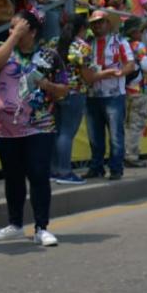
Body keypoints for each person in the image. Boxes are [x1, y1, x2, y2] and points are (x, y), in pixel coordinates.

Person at [0, 11, 65, 247]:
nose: (12, 31)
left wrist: (47, 84)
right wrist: (14, 36)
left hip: (39, 127)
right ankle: (15, 225)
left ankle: (42, 228)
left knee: (39, 175)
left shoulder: (50, 56)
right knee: (13, 177)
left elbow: (64, 89)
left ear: (33, 32)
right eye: (10, 27)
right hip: (5, 128)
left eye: (17, 28)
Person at [85, 10, 135, 180]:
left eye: (100, 22)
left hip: (114, 95)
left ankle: (116, 168)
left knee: (115, 135)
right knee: (94, 136)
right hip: (92, 95)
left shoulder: (119, 41)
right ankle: (97, 167)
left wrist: (120, 73)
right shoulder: (87, 43)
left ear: (108, 23)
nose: (97, 25)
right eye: (94, 23)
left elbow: (131, 64)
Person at [50, 14, 96, 185]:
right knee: (67, 133)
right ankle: (64, 171)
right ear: (82, 29)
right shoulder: (81, 46)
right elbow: (88, 76)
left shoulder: (54, 42)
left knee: (57, 131)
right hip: (75, 91)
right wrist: (105, 74)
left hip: (55, 91)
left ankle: (54, 170)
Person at [122, 17, 147, 168]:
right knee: (136, 124)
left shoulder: (122, 44)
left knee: (124, 124)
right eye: (141, 30)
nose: (143, 33)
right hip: (139, 90)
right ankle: (132, 155)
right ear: (135, 32)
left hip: (124, 89)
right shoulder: (138, 45)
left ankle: (122, 154)